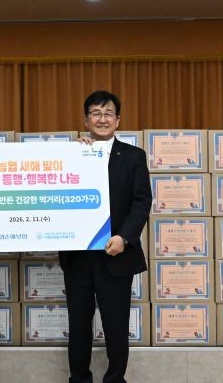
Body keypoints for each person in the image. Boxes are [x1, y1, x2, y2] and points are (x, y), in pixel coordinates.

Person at [59, 90, 151, 383]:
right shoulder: (71, 154)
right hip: (78, 256)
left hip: (116, 253)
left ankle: (115, 379)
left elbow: (142, 202)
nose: (102, 119)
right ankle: (79, 378)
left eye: (108, 113)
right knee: (78, 325)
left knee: (115, 325)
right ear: (86, 120)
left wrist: (124, 237)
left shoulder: (134, 156)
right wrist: (72, 156)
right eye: (95, 114)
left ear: (117, 120)